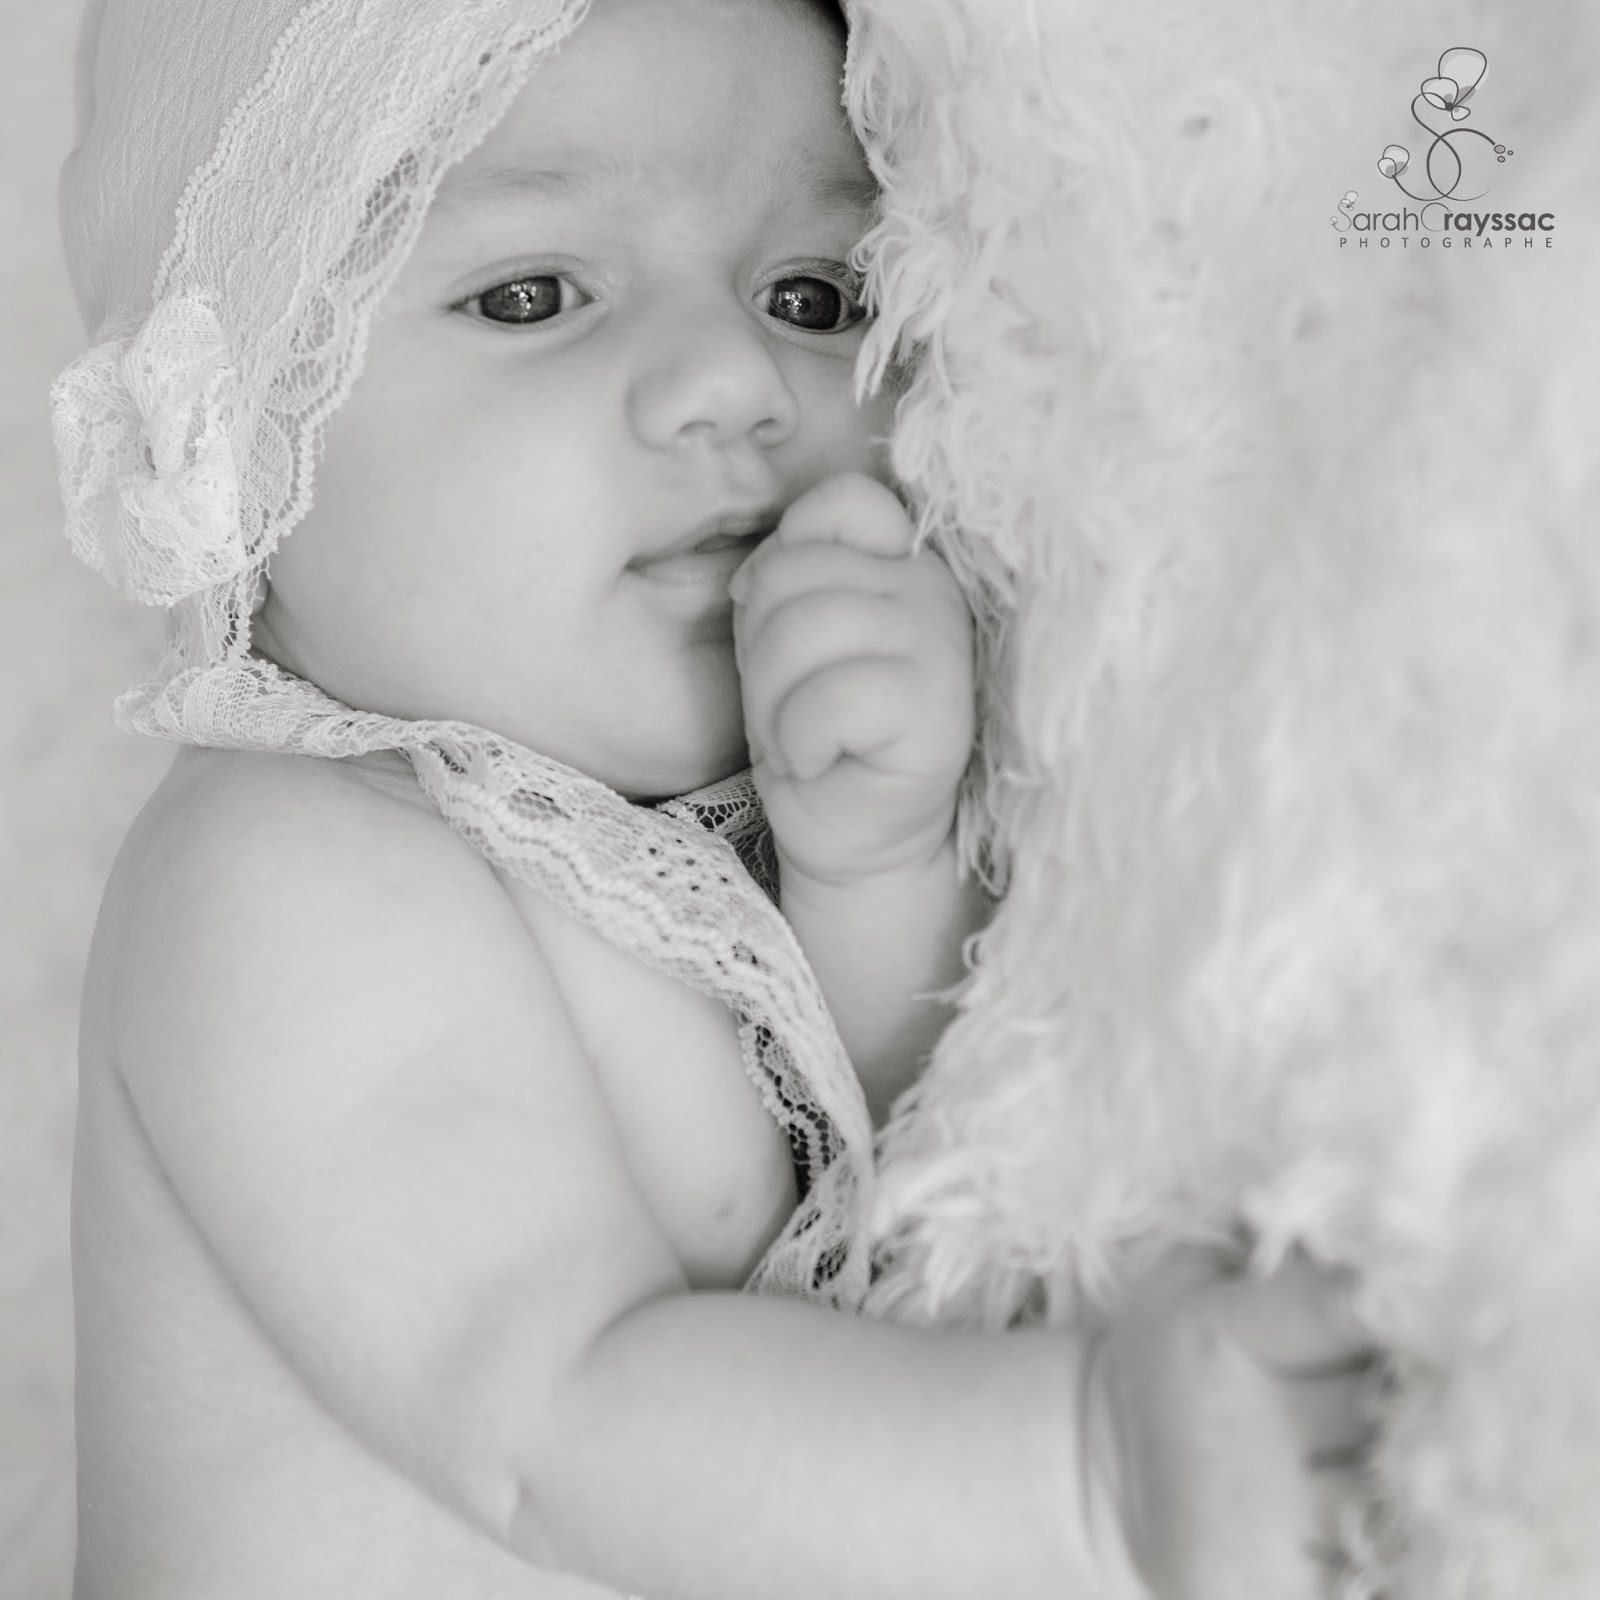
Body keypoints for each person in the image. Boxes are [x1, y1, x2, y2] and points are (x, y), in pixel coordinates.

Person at [54, 0, 1374, 1596]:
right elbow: (555, 1411)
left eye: (810, 296)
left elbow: (897, 1229)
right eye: (533, 296)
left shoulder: (687, 852)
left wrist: (874, 869)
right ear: (232, 436)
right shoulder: (281, 872)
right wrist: (1092, 1472)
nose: (736, 378)